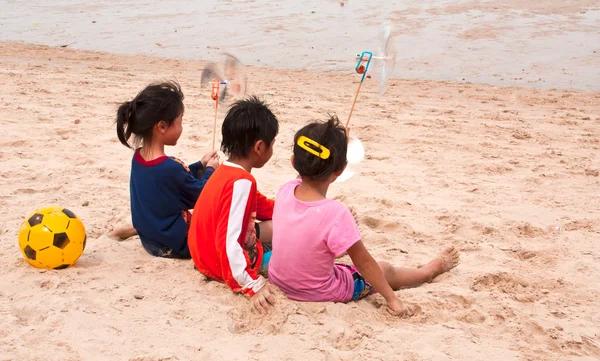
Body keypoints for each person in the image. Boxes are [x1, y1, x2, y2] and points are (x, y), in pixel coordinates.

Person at [268, 115, 460, 316]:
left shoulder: (286, 190)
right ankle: (428, 272)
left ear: (293, 162)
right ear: (341, 170)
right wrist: (392, 299)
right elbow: (365, 263)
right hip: (318, 292)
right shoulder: (336, 212)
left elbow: (307, 169)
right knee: (383, 269)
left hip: (279, 281)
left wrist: (337, 147)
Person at [188, 96, 279, 311]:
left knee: (282, 225)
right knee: (291, 249)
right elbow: (228, 240)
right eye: (272, 144)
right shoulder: (242, 182)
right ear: (259, 147)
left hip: (203, 256)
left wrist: (295, 207)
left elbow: (263, 205)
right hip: (219, 264)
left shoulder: (224, 172)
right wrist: (250, 284)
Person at [114, 80, 220, 258]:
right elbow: (198, 195)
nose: (181, 127)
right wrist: (210, 170)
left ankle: (132, 230)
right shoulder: (169, 167)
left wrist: (201, 165)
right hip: (175, 244)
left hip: (150, 239)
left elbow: (175, 184)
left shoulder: (139, 157)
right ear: (162, 126)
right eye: (180, 122)